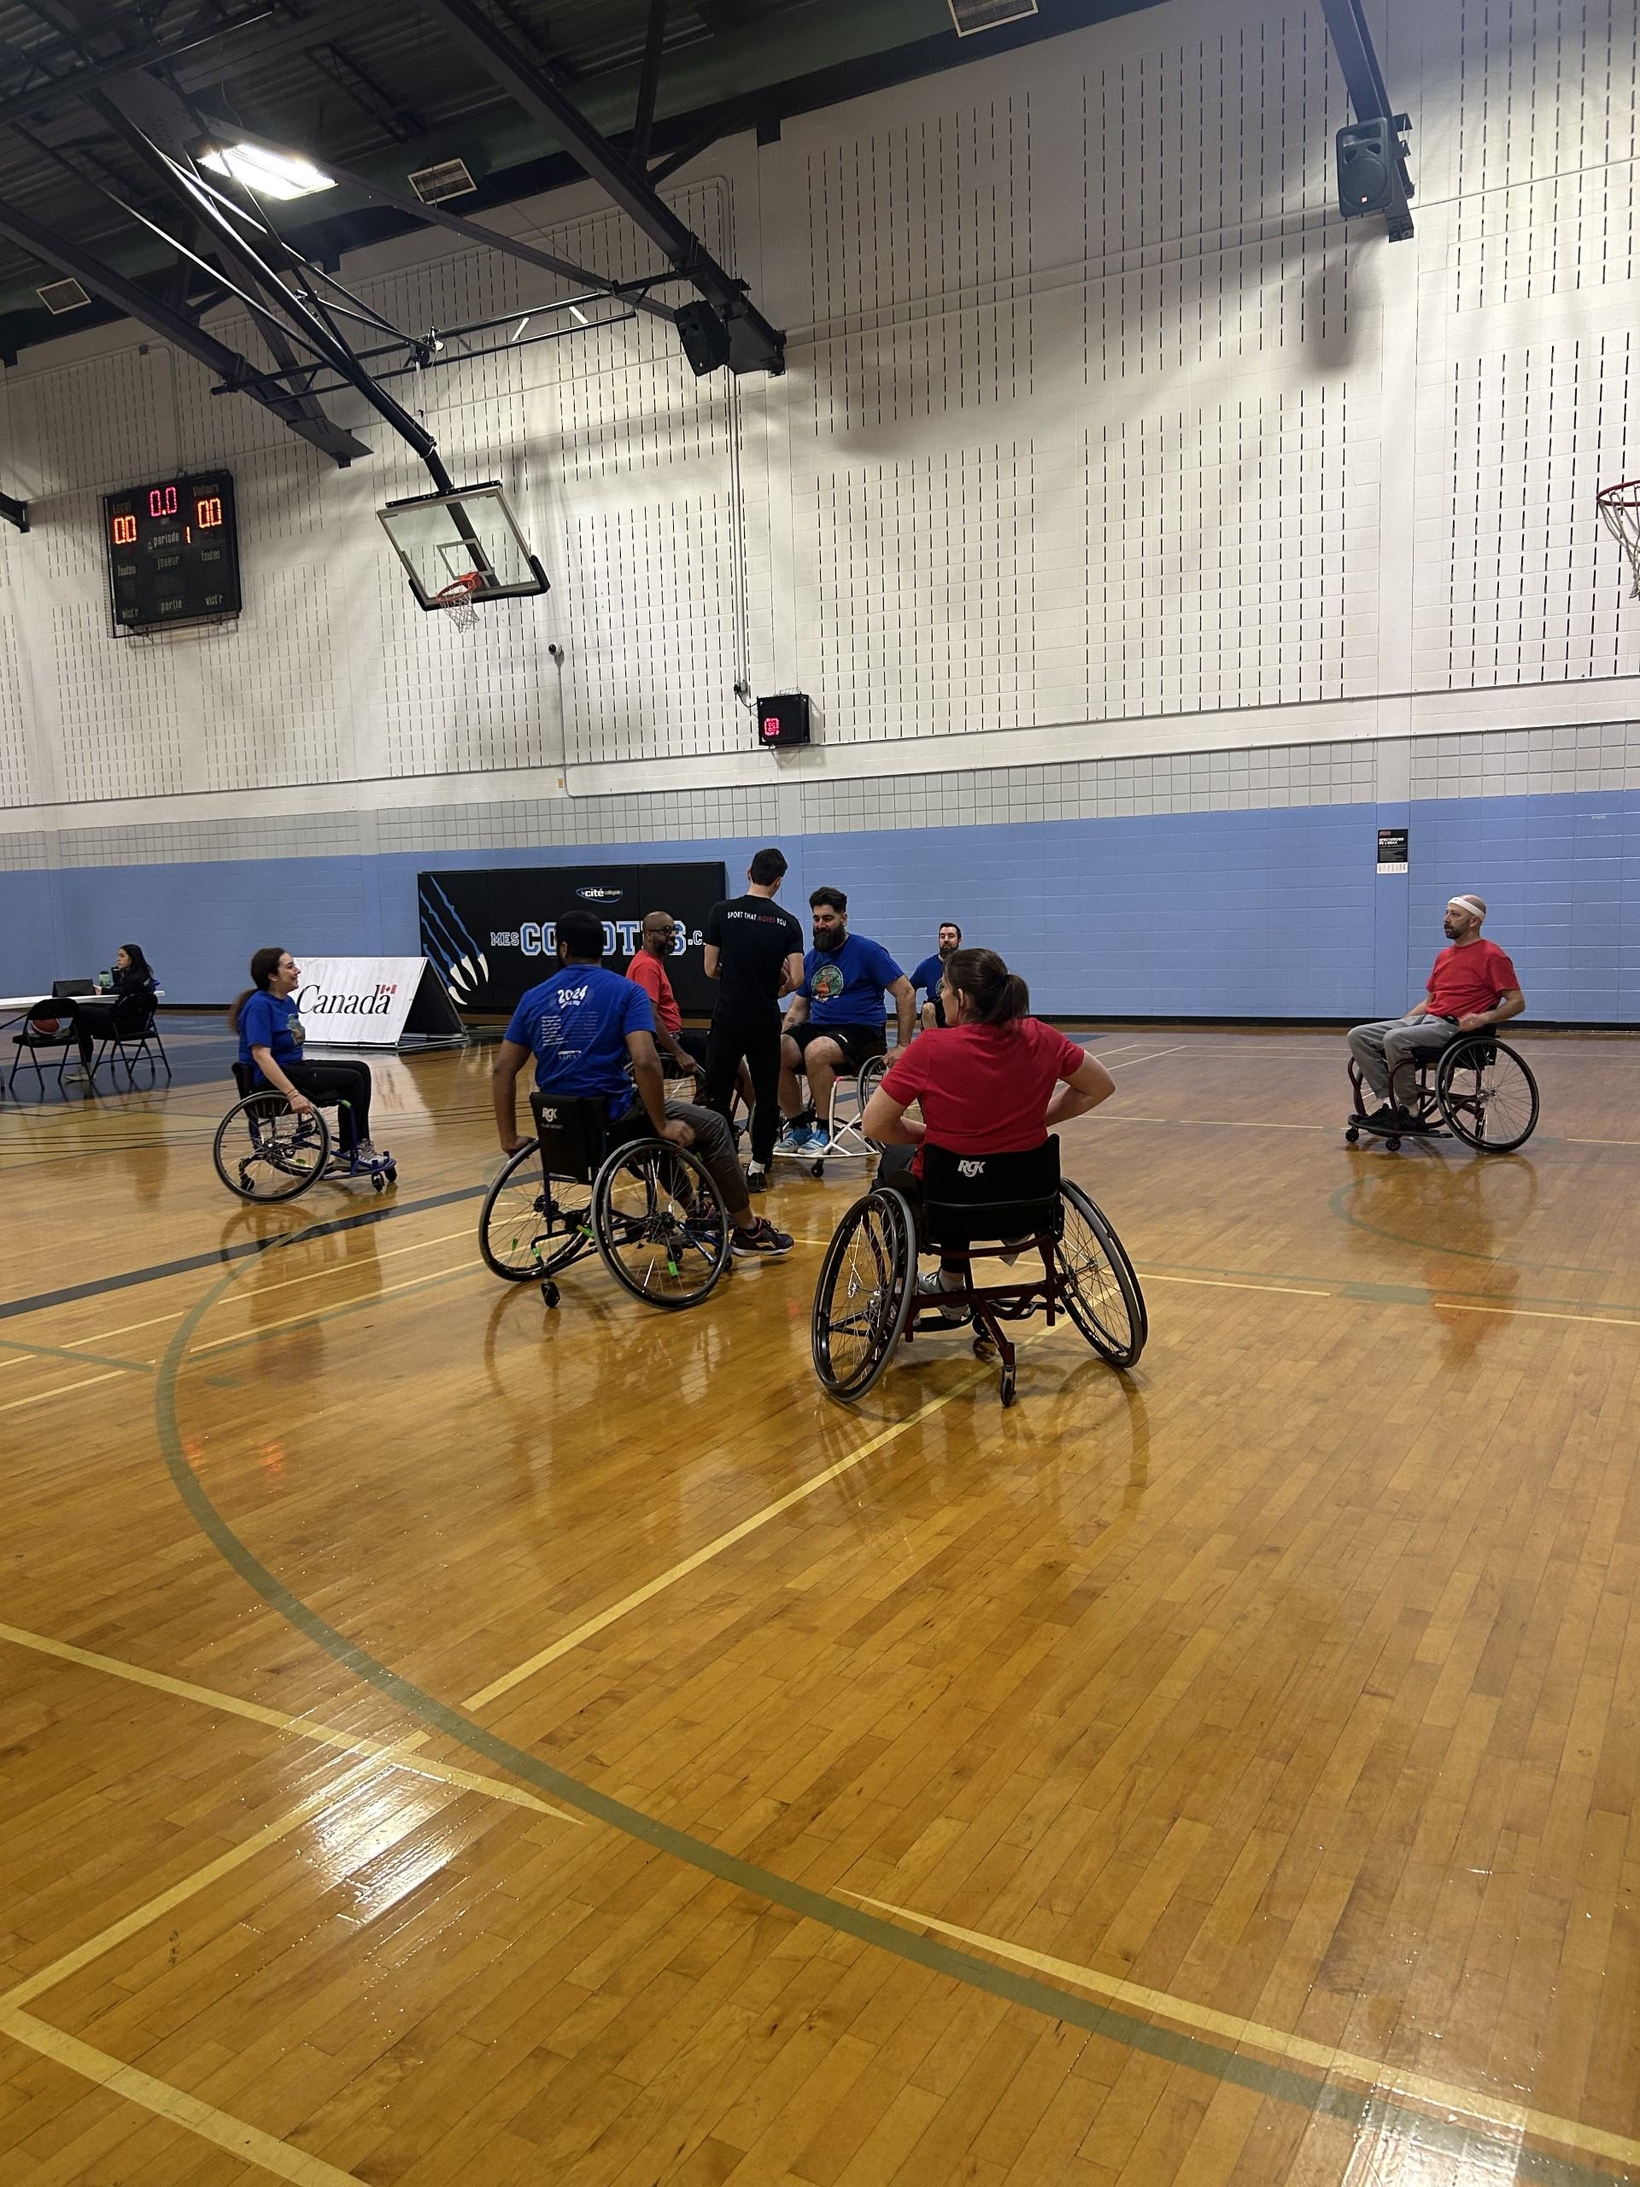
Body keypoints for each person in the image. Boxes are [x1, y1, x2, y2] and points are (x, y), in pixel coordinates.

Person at [491, 909, 793, 1259]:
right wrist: (662, 1123)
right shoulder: (625, 992)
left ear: (562, 949)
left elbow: (502, 1071)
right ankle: (748, 1229)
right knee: (711, 1124)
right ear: (603, 948)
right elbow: (646, 1061)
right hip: (614, 1119)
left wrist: (508, 1138)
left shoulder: (533, 998)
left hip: (561, 1126)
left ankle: (696, 1209)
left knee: (654, 1132)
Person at [861, 946, 1117, 1318]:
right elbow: (1100, 1086)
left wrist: (929, 1135)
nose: (940, 996)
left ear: (962, 998)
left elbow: (875, 1125)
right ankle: (951, 1283)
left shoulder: (931, 1048)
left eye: (944, 987)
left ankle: (904, 1285)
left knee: (901, 1166)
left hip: (951, 1200)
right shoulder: (1041, 1036)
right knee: (961, 1170)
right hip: (1027, 1198)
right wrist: (1035, 1120)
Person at [1346, 894, 1526, 1129]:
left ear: (1474, 921)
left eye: (1455, 914)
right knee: (1358, 1035)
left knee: (1394, 1039)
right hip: (1427, 1019)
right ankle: (1390, 1105)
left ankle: (1410, 1112)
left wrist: (1483, 1018)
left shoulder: (1492, 955)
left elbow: (1517, 1002)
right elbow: (1429, 1000)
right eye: (1446, 913)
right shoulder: (1444, 956)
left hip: (1453, 1027)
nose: (1446, 919)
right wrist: (1403, 1023)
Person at [778, 887, 915, 1155]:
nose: (820, 925)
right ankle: (799, 1127)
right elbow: (798, 1009)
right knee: (775, 1049)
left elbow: (906, 992)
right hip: (821, 1029)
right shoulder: (812, 958)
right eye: (816, 919)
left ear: (844, 918)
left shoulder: (868, 951)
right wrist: (785, 1037)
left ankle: (823, 1129)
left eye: (827, 918)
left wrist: (902, 1046)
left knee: (817, 1050)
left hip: (862, 1032)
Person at [702, 848, 805, 1191]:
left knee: (717, 1092)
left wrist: (737, 975)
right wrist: (777, 988)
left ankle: (719, 1162)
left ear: (749, 873)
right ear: (778, 882)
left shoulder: (721, 911)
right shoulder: (787, 922)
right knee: (765, 1094)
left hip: (729, 1016)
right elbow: (797, 978)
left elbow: (709, 968)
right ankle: (759, 1166)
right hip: (764, 1018)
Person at [229, 947, 382, 1167]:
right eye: (290, 967)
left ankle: (360, 1143)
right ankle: (350, 1149)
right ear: (272, 976)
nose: (297, 970)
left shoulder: (287, 1002)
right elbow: (261, 1056)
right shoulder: (259, 1006)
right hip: (270, 1081)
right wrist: (292, 1094)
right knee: (352, 1079)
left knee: (361, 1069)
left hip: (295, 1068)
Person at [62, 942, 158, 1080]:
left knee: (81, 1011)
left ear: (132, 958)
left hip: (122, 1025)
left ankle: (73, 1040)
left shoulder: (132, 980)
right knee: (84, 1024)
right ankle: (75, 1039)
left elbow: (121, 998)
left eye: (122, 956)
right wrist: (106, 989)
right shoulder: (144, 977)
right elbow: (122, 991)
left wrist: (105, 992)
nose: (118, 959)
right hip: (142, 1024)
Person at [909, 922, 962, 1032]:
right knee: (928, 1008)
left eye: (951, 936)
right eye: (942, 936)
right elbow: (909, 988)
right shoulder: (927, 966)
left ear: (959, 941)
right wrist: (911, 1012)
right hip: (937, 1012)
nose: (946, 940)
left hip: (960, 1010)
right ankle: (933, 1041)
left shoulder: (968, 964)